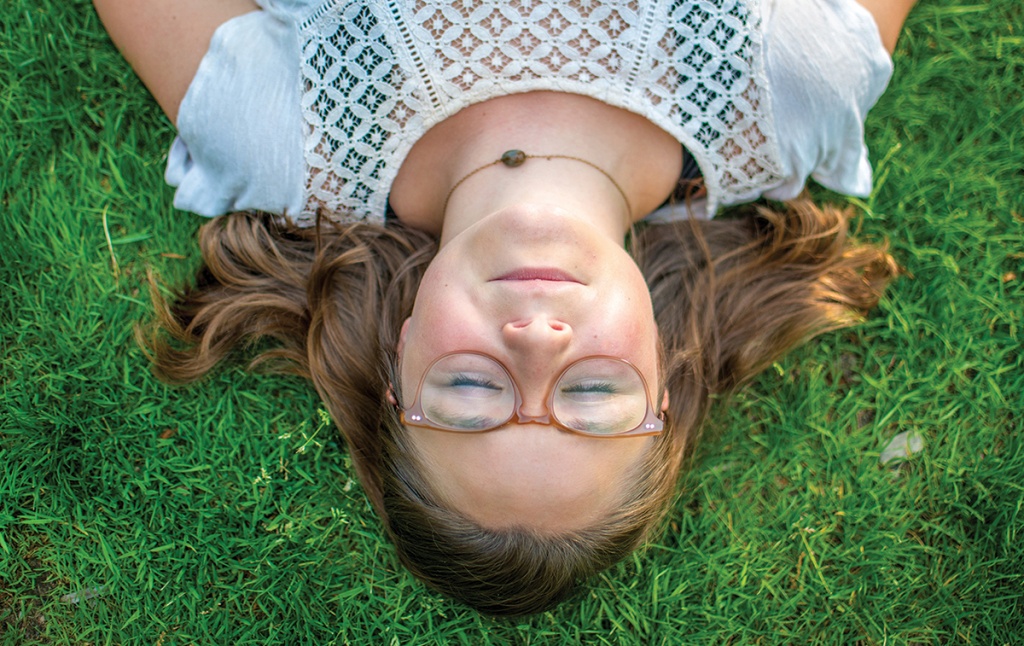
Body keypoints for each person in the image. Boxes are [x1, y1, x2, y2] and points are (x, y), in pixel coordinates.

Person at [94, 0, 915, 615]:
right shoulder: (794, 86)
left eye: (472, 394)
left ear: (402, 362)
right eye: (591, 397)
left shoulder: (283, 133)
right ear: (661, 378)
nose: (534, 340)